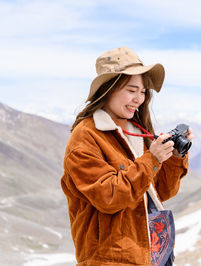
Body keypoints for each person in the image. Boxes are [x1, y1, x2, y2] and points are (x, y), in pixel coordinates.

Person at [61, 47, 193, 265]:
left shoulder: (138, 131)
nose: (139, 99)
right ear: (108, 89)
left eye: (142, 92)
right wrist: (152, 159)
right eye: (132, 90)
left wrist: (175, 157)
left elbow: (160, 191)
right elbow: (109, 198)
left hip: (148, 256)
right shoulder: (85, 137)